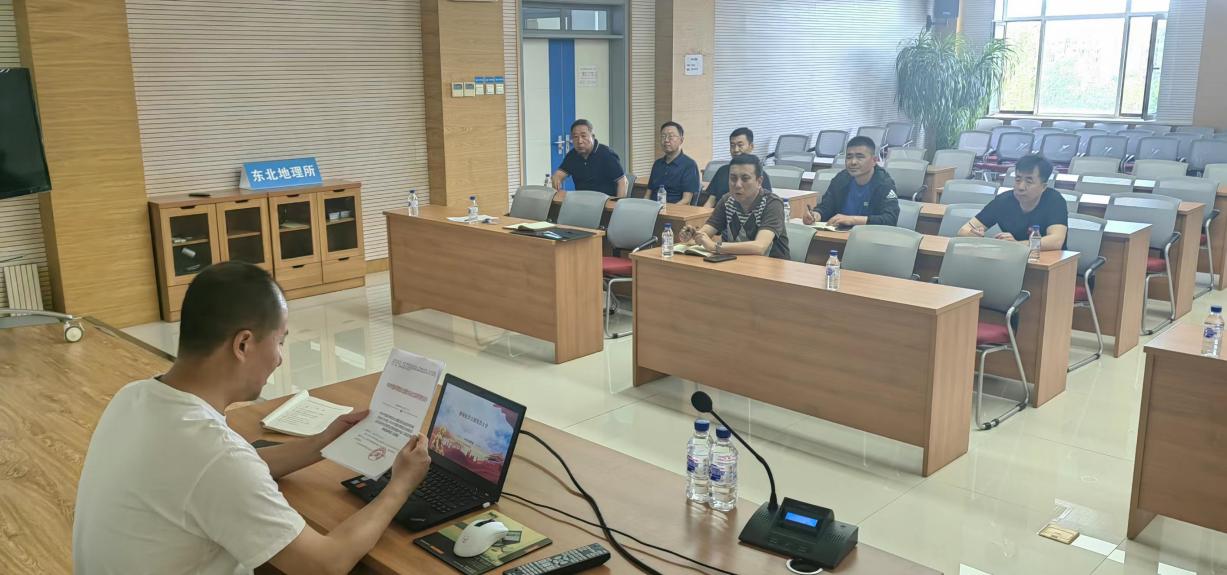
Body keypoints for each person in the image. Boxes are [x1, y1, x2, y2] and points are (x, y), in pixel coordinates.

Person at [73, 261, 433, 575]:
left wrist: (322, 442)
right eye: (280, 341)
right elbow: (325, 564)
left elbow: (229, 470)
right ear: (243, 344)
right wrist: (400, 485)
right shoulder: (216, 457)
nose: (279, 358)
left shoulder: (134, 397)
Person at [680, 154, 789, 259]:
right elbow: (706, 232)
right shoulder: (727, 200)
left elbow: (760, 246)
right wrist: (694, 235)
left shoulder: (772, 203)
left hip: (772, 266)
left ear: (759, 181)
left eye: (745, 179)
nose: (737, 184)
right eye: (733, 178)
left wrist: (715, 246)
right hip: (737, 263)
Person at [957, 154, 1068, 250]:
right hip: (1011, 260)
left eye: (1029, 182)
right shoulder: (1003, 201)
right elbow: (963, 230)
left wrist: (1017, 245)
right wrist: (975, 236)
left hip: (1049, 262)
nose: (1021, 187)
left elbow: (1056, 241)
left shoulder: (1054, 201)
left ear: (1043, 187)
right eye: (1018, 180)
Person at [802, 135, 899, 227]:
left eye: (860, 157)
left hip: (870, 235)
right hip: (838, 234)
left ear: (874, 160)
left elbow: (890, 219)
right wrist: (816, 215)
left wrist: (853, 220)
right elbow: (826, 207)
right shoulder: (841, 179)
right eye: (849, 157)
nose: (853, 162)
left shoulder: (884, 183)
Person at [551, 119, 628, 197]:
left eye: (583, 136)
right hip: (582, 201)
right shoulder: (572, 155)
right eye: (575, 137)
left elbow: (623, 182)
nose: (580, 141)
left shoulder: (607, 154)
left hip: (605, 201)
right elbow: (558, 175)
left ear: (593, 137)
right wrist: (556, 178)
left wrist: (617, 203)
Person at [699, 127, 773, 208]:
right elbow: (711, 201)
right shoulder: (722, 171)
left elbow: (766, 204)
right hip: (719, 214)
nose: (736, 150)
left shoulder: (759, 174)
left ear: (751, 146)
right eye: (732, 145)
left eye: (740, 145)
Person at [647, 121, 701, 204]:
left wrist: (667, 210)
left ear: (681, 140)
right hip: (652, 209)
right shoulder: (657, 164)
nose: (666, 140)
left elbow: (686, 200)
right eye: (663, 136)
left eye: (671, 136)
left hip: (675, 210)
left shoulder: (689, 165)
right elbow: (647, 195)